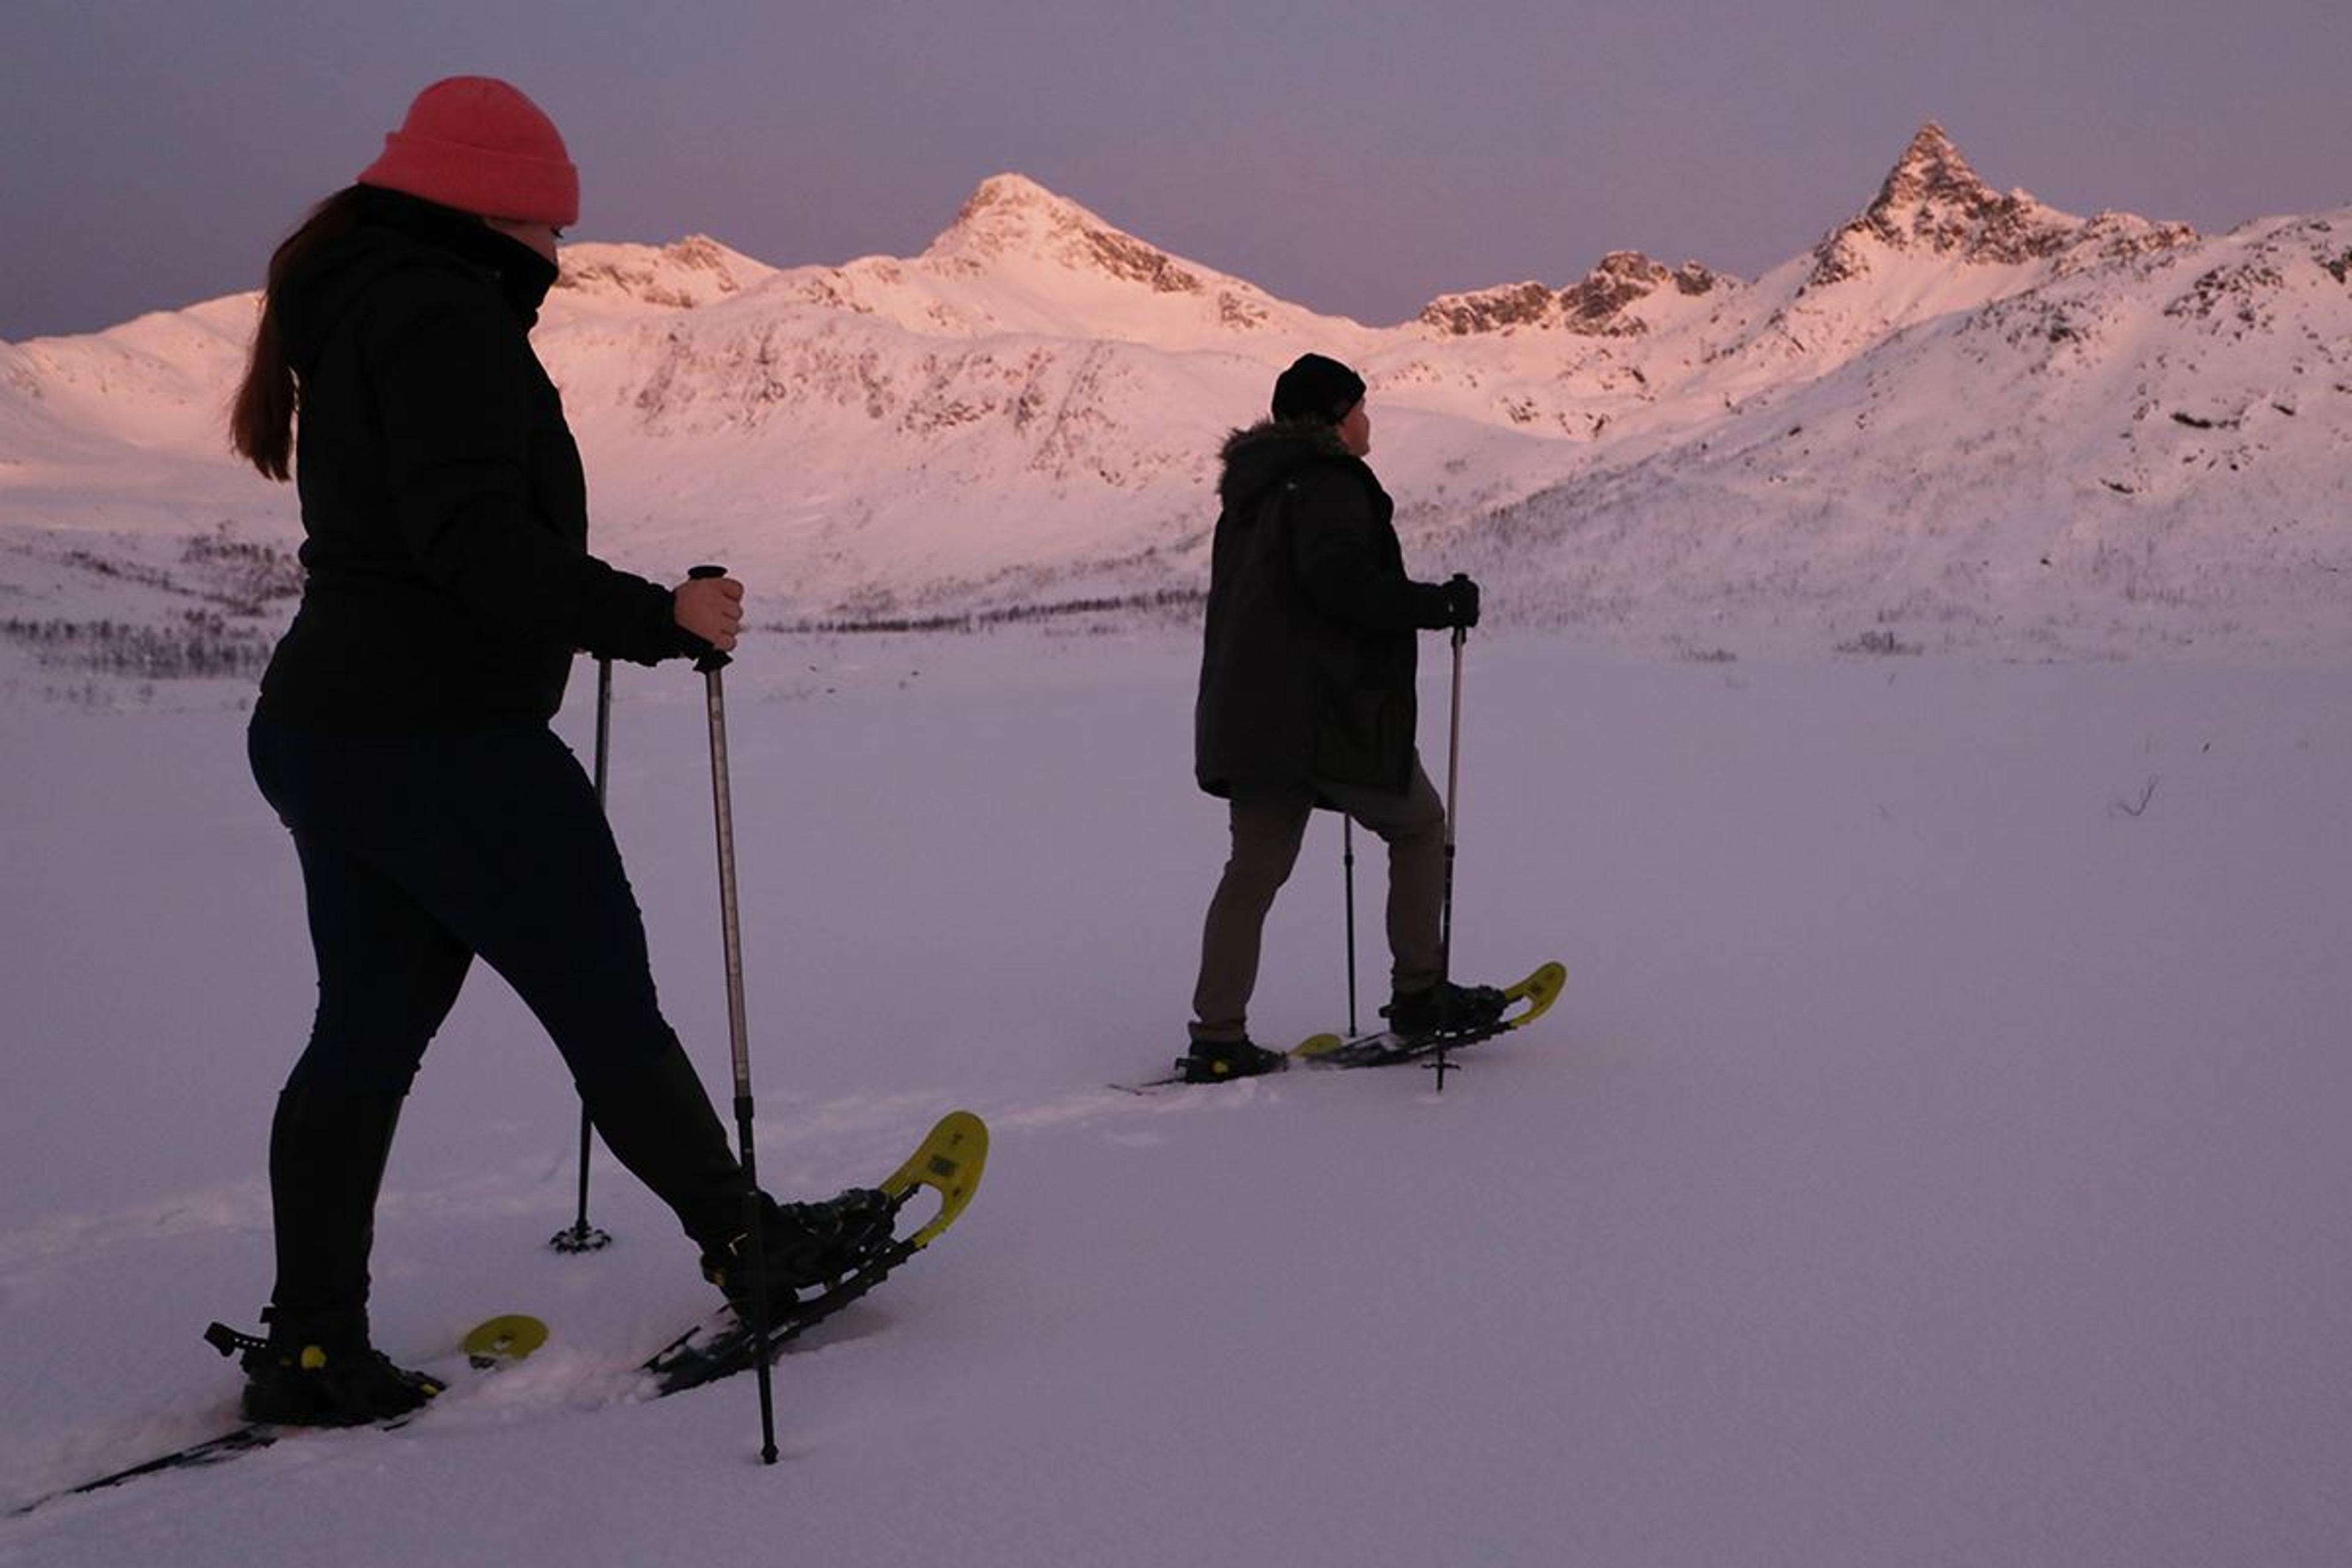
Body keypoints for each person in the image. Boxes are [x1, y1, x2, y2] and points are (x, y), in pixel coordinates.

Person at [226, 76, 884, 1426]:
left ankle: (311, 1341)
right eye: (554, 231)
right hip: (440, 739)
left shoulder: (360, 300)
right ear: (498, 211)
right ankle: (751, 1247)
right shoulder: (444, 316)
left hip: (328, 730)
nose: (563, 260)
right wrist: (661, 618)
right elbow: (472, 545)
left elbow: (430, 537)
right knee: (601, 1000)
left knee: (362, 1033)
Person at [1182, 353, 1503, 1082]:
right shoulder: (1327, 485)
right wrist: (1435, 606)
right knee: (1419, 824)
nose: (1368, 419)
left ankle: (1217, 1035)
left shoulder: (1254, 494)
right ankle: (1420, 994)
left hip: (1252, 714)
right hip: (1323, 714)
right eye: (1358, 405)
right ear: (1332, 416)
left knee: (1254, 869)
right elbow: (1342, 583)